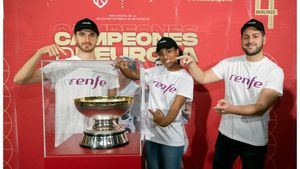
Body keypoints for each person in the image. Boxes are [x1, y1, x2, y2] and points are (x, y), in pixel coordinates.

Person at [179, 19, 284, 169]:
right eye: (246, 37)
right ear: (241, 40)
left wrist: (230, 109)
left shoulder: (274, 71)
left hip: (254, 140)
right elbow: (202, 77)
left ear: (264, 39)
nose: (250, 41)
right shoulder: (230, 63)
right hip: (227, 135)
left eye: (255, 36)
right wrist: (191, 64)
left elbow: (260, 107)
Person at [13, 18, 119, 147]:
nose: (87, 39)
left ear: (97, 38)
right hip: (66, 138)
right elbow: (20, 79)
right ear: (74, 37)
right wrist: (39, 53)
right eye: (82, 34)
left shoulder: (108, 68)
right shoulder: (61, 65)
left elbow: (112, 108)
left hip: (97, 139)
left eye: (92, 35)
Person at [117, 37, 194, 169]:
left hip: (171, 139)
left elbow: (176, 107)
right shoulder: (156, 71)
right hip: (152, 137)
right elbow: (134, 75)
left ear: (177, 51)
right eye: (161, 53)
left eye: (169, 51)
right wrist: (123, 68)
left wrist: (164, 121)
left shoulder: (185, 78)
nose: (165, 56)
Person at [117, 56, 141, 132]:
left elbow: (139, 118)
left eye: (122, 67)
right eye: (118, 67)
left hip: (131, 134)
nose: (118, 70)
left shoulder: (138, 90)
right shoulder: (111, 89)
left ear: (131, 71)